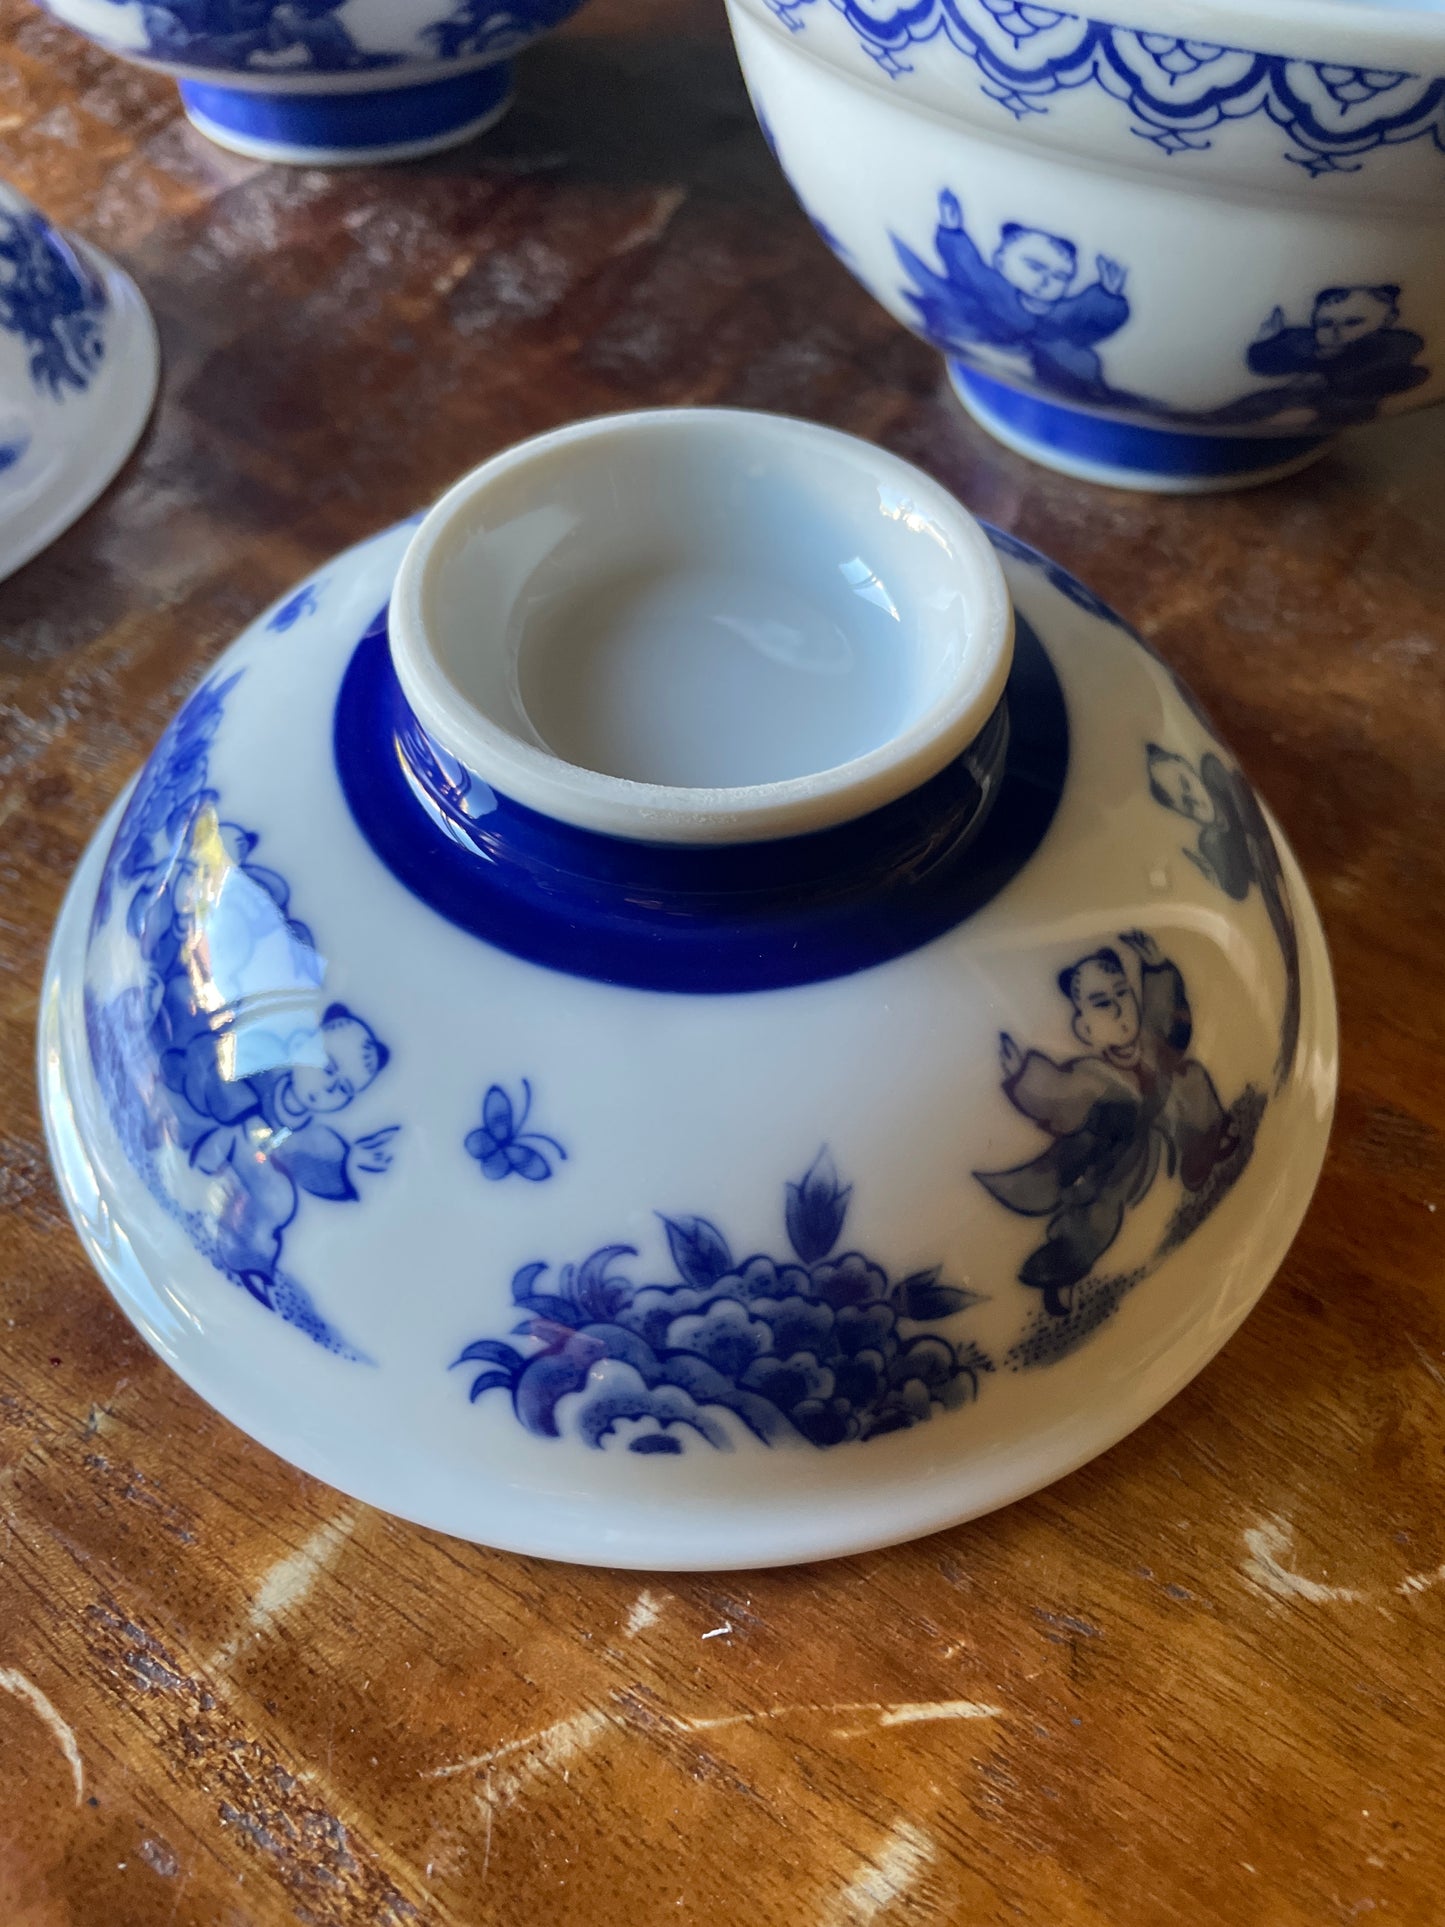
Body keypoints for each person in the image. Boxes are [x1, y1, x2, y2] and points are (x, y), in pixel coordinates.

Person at [975, 933, 1235, 1317]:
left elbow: (1168, 1023)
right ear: (1084, 1030)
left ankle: (1206, 1157)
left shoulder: (1150, 1042)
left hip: (1165, 1114)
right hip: (1118, 1155)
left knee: (1190, 1080)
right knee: (1094, 1213)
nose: (1118, 1010)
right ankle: (1060, 1276)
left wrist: (1156, 971)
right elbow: (1059, 1094)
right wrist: (1024, 1076)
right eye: (1101, 1004)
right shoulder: (1091, 1075)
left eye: (1122, 994)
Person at [166, 1004, 398, 1303]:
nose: (329, 1087)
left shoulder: (310, 1131)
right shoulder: (267, 1067)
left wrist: (351, 1161)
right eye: (327, 1067)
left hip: (262, 1162)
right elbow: (219, 1070)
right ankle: (190, 1194)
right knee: (215, 1144)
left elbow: (315, 1151)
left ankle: (252, 1268)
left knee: (280, 1201)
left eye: (343, 1089)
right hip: (228, 1138)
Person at [1146, 745, 1300, 1085]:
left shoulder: (1217, 780)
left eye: (1187, 785)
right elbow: (1237, 890)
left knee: (1287, 959)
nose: (1191, 800)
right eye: (1180, 803)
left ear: (1192, 771)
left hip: (1280, 877)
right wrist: (1207, 871)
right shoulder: (1210, 840)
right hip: (1270, 898)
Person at [895, 190, 1130, 400]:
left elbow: (1090, 315)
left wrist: (1108, 295)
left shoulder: (1060, 312)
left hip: (1048, 357)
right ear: (999, 260)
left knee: (1079, 362)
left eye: (1060, 276)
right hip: (981, 335)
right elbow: (967, 267)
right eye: (1035, 267)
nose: (1046, 280)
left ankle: (1091, 391)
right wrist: (952, 231)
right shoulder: (993, 287)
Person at [1205, 286, 1427, 430]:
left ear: (1389, 320)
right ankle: (1205, 420)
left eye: (1352, 322)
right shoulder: (1306, 342)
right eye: (1325, 324)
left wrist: (1326, 377)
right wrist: (1268, 340)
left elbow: (1398, 372)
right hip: (1305, 400)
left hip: (1345, 405)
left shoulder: (1395, 345)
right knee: (1262, 401)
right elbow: (1267, 363)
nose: (1336, 331)